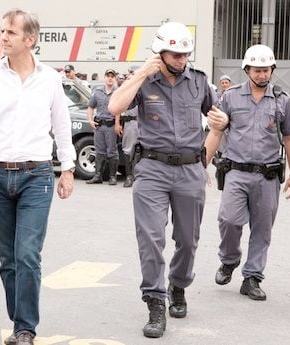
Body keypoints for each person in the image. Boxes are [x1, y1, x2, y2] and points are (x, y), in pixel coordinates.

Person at [0, 8, 76, 345]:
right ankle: (19, 320)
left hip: (37, 176)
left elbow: (62, 125)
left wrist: (67, 169)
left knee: (27, 253)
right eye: (2, 32)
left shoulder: (50, 79)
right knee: (8, 259)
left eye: (10, 33)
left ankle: (25, 329)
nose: (3, 38)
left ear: (30, 40)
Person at [108, 21, 225, 338]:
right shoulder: (144, 81)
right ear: (159, 53)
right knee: (151, 238)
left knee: (188, 239)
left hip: (189, 169)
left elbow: (217, 120)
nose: (180, 60)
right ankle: (155, 302)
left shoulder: (199, 82)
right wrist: (142, 73)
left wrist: (219, 127)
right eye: (174, 54)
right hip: (152, 169)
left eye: (184, 54)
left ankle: (178, 284)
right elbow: (114, 106)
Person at [204, 44, 290, 301]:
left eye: (266, 70)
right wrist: (201, 165)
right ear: (247, 70)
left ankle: (252, 277)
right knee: (229, 220)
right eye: (257, 70)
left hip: (267, 176)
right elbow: (216, 132)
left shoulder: (282, 100)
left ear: (272, 70)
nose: (262, 75)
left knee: (262, 229)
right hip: (236, 171)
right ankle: (229, 260)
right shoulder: (230, 97)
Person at [86, 69, 119, 185]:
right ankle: (97, 176)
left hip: (111, 125)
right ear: (104, 78)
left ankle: (112, 177)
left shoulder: (118, 92)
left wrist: (117, 124)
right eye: (108, 76)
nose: (110, 78)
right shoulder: (98, 92)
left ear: (115, 78)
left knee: (112, 151)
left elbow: (119, 110)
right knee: (99, 151)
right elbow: (90, 107)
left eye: (112, 76)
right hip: (99, 126)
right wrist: (90, 120)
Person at [114, 66, 139, 187]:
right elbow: (118, 106)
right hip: (131, 122)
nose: (128, 76)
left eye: (131, 73)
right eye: (129, 74)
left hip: (145, 123)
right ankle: (129, 176)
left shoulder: (146, 86)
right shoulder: (126, 88)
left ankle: (140, 176)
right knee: (128, 149)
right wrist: (117, 123)